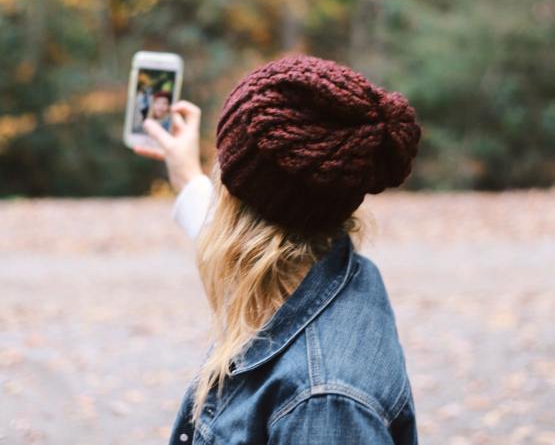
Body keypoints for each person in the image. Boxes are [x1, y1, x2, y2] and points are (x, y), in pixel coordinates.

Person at [133, 54, 422, 445]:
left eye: (223, 161)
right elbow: (246, 242)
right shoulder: (320, 273)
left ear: (239, 204)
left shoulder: (322, 402)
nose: (217, 173)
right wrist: (185, 175)